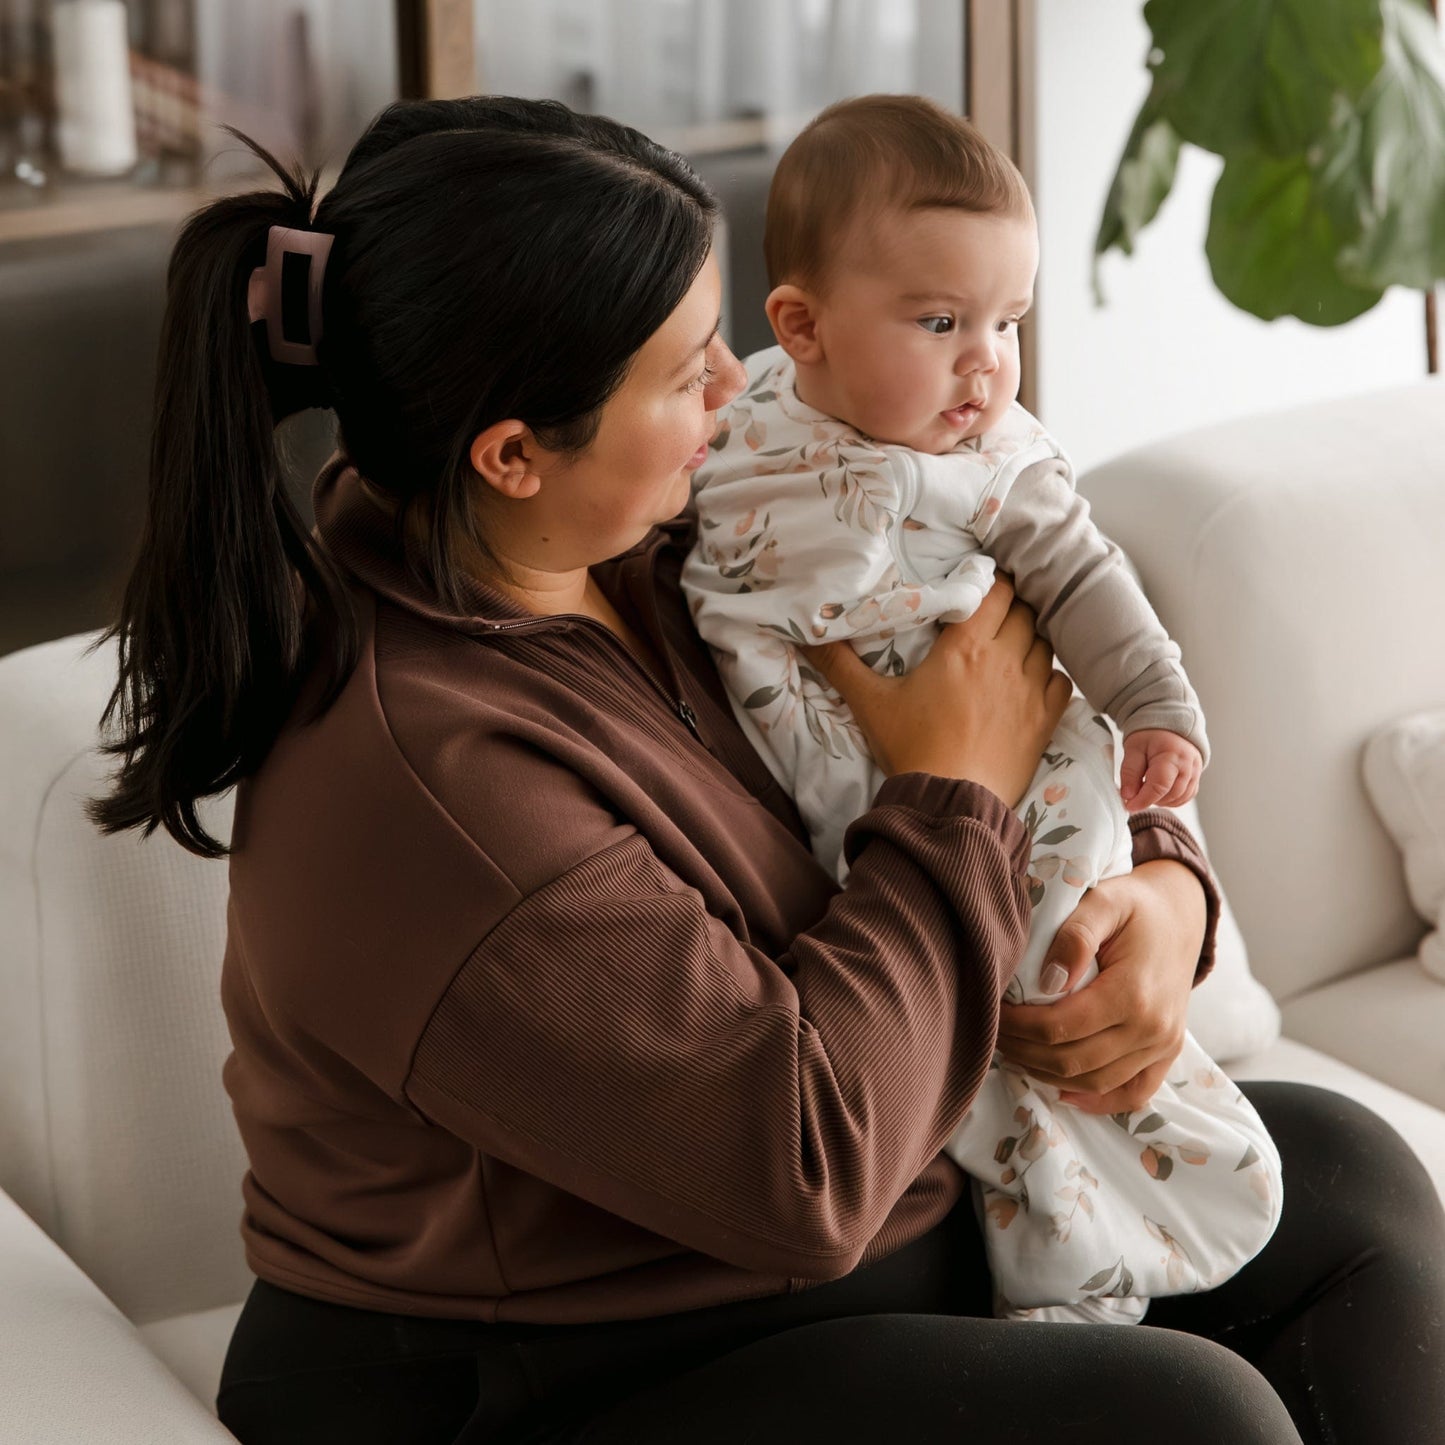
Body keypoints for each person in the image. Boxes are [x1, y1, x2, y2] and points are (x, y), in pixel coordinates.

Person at [88, 95, 1444, 1444]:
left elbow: (1014, 636)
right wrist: (950, 793)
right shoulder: (431, 788)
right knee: (1188, 1421)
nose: (739, 385)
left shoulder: (655, 531)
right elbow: (801, 1161)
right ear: (509, 452)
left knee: (1354, 1184)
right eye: (685, 373)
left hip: (826, 1217)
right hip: (567, 1357)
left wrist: (1164, 893)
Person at [682, 94, 1281, 1325]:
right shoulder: (723, 430)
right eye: (941, 321)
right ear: (798, 327)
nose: (987, 364)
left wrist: (1158, 719)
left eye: (1007, 321)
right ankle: (1055, 1230)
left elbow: (1083, 584)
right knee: (973, 1018)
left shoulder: (993, 462)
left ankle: (1114, 1203)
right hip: (856, 800)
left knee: (1048, 960)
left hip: (1021, 767)